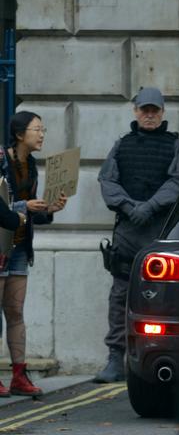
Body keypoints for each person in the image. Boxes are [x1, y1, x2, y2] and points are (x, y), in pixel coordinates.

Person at [94, 88, 179, 383]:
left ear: (162, 113)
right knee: (120, 294)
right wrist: (131, 207)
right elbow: (107, 181)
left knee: (165, 296)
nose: (149, 115)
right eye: (144, 110)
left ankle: (165, 355)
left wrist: (149, 207)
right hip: (129, 231)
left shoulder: (177, 146)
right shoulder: (122, 146)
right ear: (135, 111)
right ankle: (114, 359)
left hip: (161, 233)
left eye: (154, 110)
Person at [0, 111, 68, 397]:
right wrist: (25, 208)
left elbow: (31, 212)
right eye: (36, 129)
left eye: (43, 129)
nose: (41, 135)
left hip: (19, 247)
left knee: (15, 311)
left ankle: (19, 375)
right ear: (19, 134)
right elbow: (5, 208)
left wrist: (49, 209)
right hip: (0, 246)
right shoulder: (2, 161)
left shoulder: (31, 164)